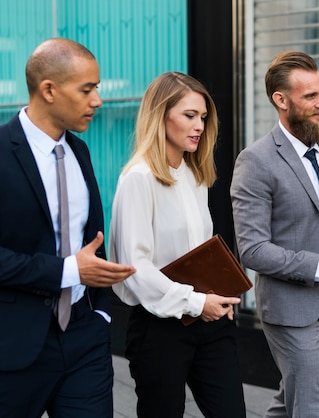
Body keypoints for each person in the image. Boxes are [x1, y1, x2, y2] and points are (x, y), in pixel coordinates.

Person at [0, 38, 136, 417]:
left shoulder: (79, 151)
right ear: (49, 89)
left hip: (85, 337)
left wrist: (100, 316)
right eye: (87, 89)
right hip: (13, 341)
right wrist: (69, 271)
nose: (97, 100)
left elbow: (89, 240)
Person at [230, 51, 319, 418]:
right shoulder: (256, 161)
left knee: (292, 396)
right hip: (289, 306)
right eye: (310, 96)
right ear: (281, 100)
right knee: (311, 402)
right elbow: (252, 250)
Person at [110, 71, 246, 418]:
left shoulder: (194, 173)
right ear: (160, 115)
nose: (199, 125)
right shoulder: (138, 179)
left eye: (202, 117)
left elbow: (200, 252)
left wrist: (219, 294)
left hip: (210, 322)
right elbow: (135, 268)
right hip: (160, 328)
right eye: (189, 116)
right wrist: (197, 302)